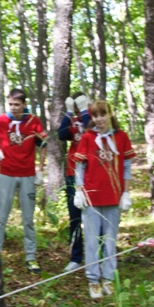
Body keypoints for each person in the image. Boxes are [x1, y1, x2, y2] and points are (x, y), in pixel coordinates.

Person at [73, 100, 135, 299]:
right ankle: (93, 279)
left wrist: (126, 192)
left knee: (109, 241)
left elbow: (126, 166)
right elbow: (79, 167)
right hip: (92, 197)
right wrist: (79, 191)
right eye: (95, 116)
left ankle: (108, 277)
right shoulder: (88, 138)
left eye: (102, 114)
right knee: (92, 241)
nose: (99, 119)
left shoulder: (121, 137)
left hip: (113, 197)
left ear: (110, 114)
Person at [0, 89, 47, 273]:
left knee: (28, 218)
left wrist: (40, 169)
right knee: (0, 217)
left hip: (27, 174)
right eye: (11, 104)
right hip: (7, 174)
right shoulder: (2, 120)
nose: (14, 108)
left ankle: (31, 257)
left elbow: (43, 144)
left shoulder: (32, 121)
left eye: (17, 105)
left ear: (24, 104)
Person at [58, 92, 91, 272]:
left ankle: (97, 254)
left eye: (80, 106)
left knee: (94, 216)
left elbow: (92, 130)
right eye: (76, 106)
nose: (79, 109)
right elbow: (62, 134)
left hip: (92, 173)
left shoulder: (92, 116)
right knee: (75, 216)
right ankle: (76, 257)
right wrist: (69, 113)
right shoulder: (73, 119)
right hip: (73, 172)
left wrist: (86, 111)